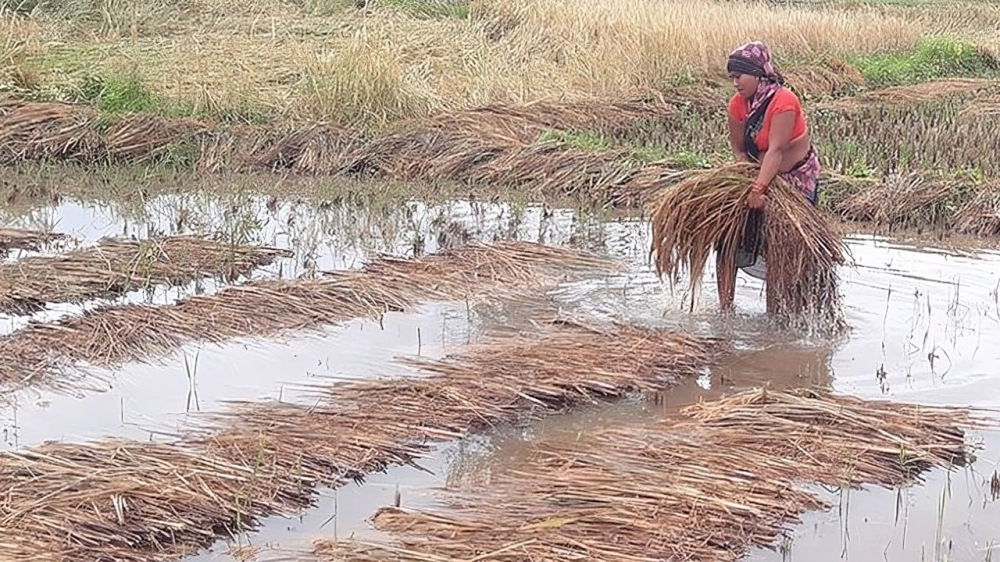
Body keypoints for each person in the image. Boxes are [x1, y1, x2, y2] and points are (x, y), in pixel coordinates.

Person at [717, 40, 822, 313]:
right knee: (726, 241)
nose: (736, 83)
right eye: (732, 78)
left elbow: (775, 150)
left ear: (758, 74)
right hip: (755, 176)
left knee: (781, 248)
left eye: (740, 76)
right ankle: (725, 310)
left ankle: (776, 314)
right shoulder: (737, 105)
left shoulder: (784, 101)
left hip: (793, 182)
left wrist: (759, 189)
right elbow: (739, 149)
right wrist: (747, 179)